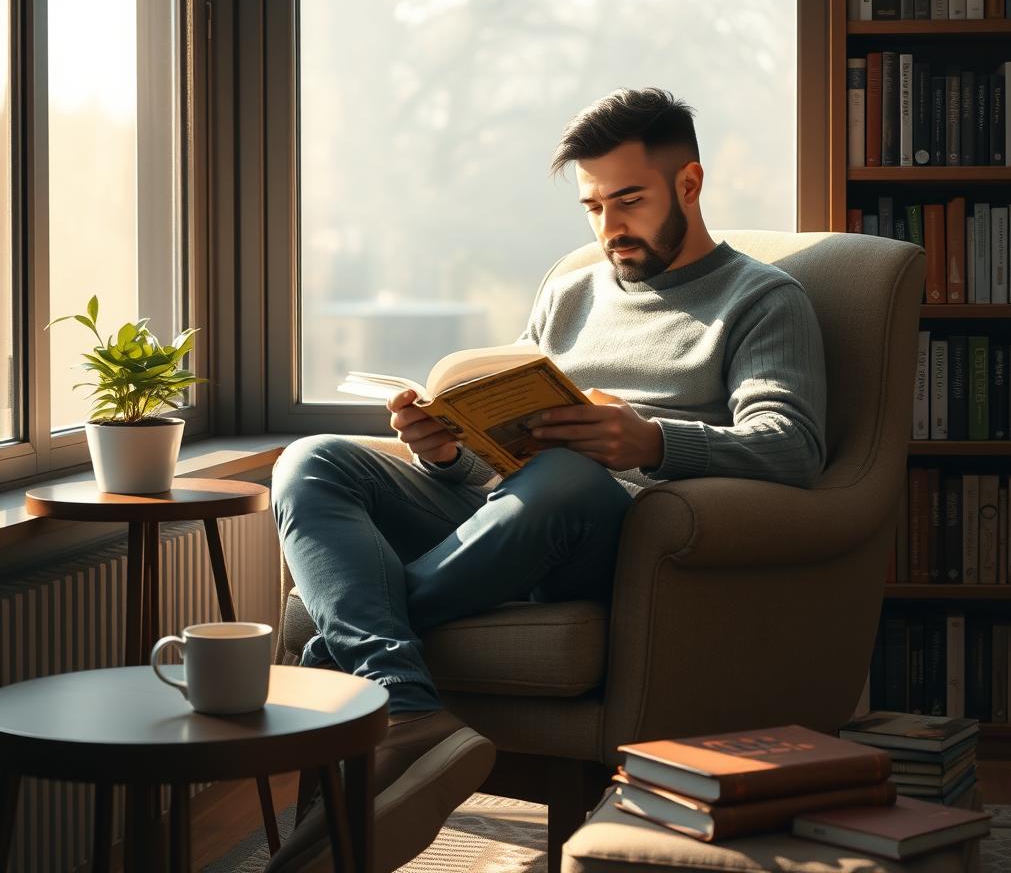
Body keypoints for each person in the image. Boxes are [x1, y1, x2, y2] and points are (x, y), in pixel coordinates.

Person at [267, 88, 827, 869]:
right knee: (311, 460)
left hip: (612, 538)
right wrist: (444, 452)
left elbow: (793, 446)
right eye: (593, 206)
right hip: (504, 517)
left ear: (689, 186)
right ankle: (409, 705)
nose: (608, 228)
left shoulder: (763, 300)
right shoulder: (573, 288)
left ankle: (348, 650)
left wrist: (651, 441)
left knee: (566, 474)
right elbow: (502, 459)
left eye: (627, 201)